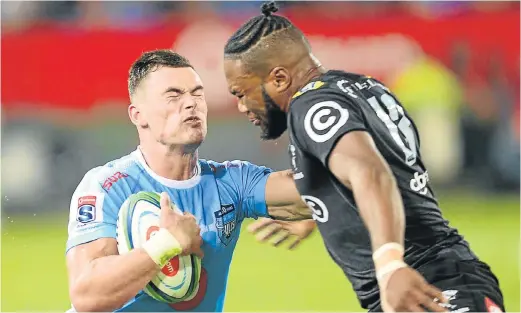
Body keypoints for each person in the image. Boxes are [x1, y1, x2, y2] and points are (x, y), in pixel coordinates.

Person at [222, 2, 505, 312]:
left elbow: (370, 172)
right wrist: (325, 209)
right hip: (429, 282)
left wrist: (390, 264)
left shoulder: (312, 108)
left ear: (278, 79)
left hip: (430, 284)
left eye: (240, 92)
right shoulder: (362, 87)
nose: (241, 106)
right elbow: (384, 172)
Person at [65, 49, 315, 312]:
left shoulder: (232, 182)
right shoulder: (108, 186)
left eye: (197, 93)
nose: (190, 103)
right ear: (138, 115)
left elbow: (329, 188)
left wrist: (315, 208)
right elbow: (86, 295)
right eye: (173, 95)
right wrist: (166, 244)